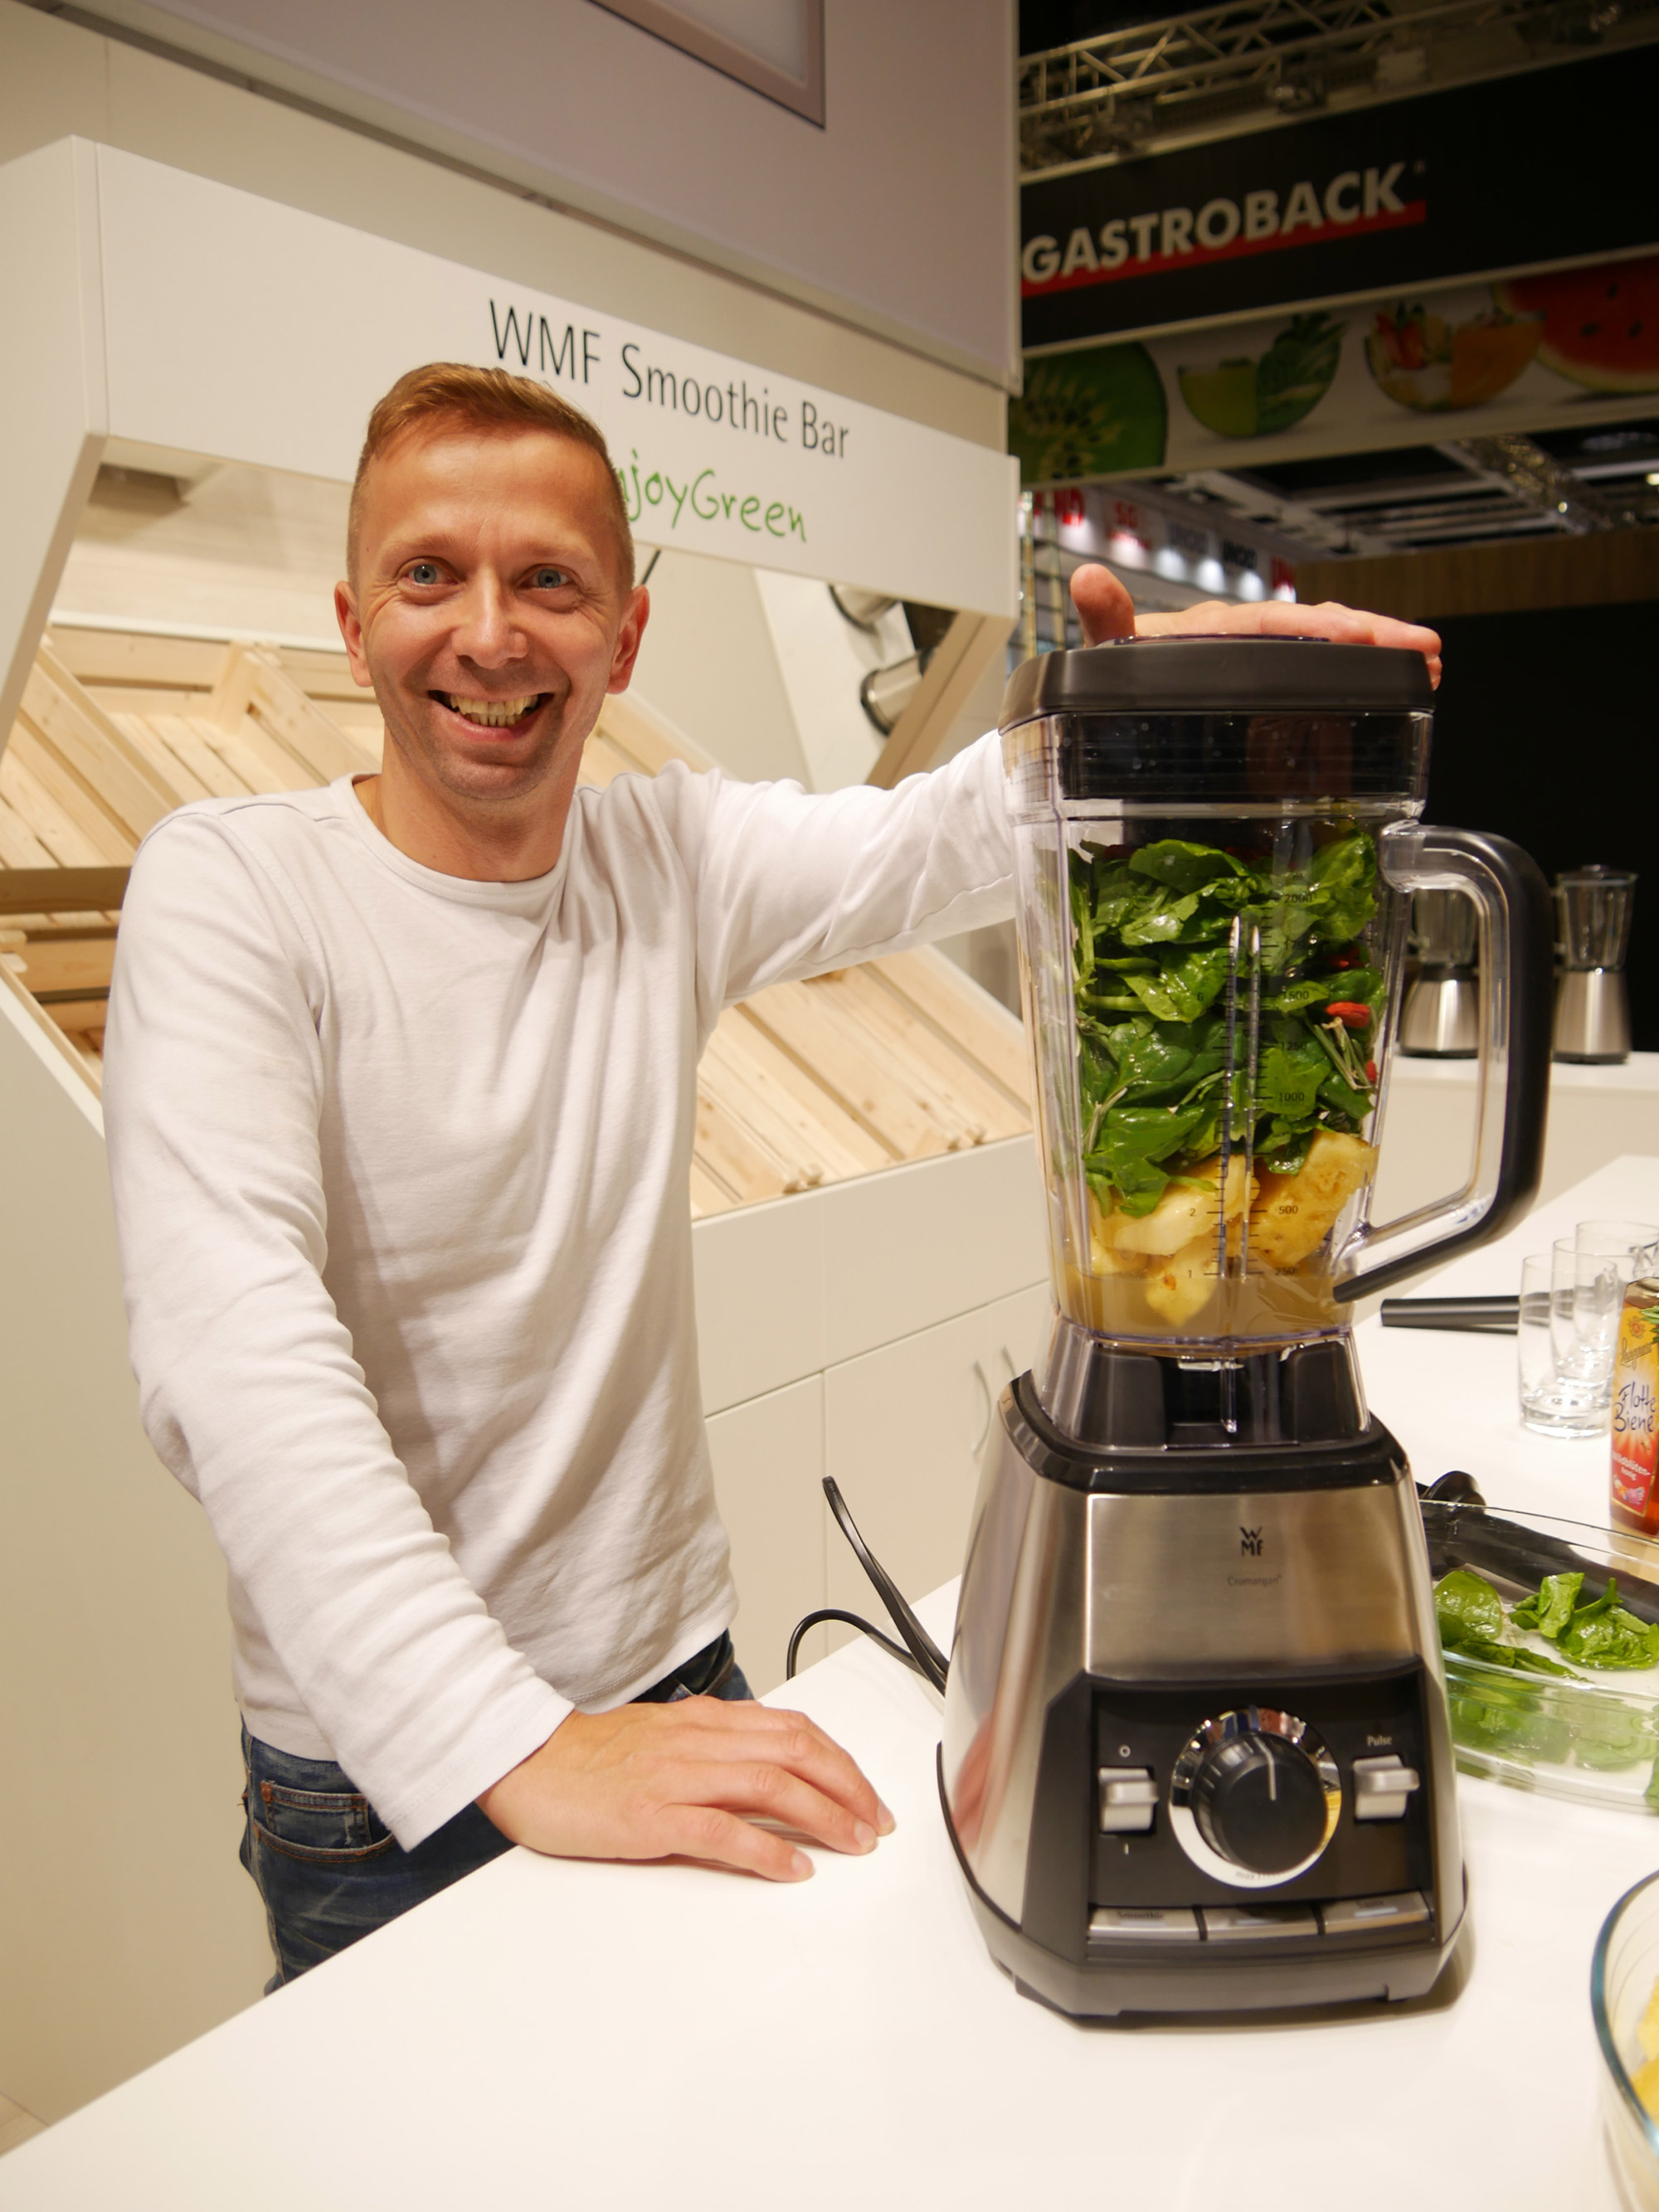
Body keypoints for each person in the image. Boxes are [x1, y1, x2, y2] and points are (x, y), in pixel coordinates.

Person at [103, 363, 1440, 1986]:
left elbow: (939, 838)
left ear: (624, 637)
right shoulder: (234, 890)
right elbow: (232, 1348)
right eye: (429, 573)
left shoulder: (660, 857)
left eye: (549, 582)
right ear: (351, 619)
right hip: (389, 1779)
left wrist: (1142, 703)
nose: (490, 635)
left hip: (678, 1686)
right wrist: (510, 1736)